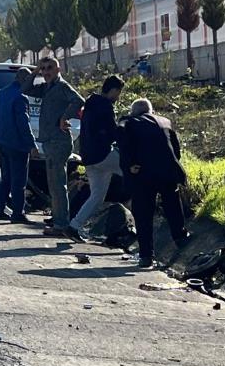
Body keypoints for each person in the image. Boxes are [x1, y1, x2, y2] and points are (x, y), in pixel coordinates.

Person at [117, 98, 191, 270]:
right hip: (167, 171)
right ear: (150, 111)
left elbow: (123, 141)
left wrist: (129, 164)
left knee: (143, 214)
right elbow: (176, 150)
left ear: (134, 112)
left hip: (143, 173)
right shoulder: (165, 122)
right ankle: (180, 237)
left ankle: (146, 255)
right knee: (172, 204)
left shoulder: (129, 122)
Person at [21, 56, 84, 237]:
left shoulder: (62, 86)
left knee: (57, 186)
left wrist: (64, 117)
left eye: (50, 68)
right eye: (44, 68)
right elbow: (25, 89)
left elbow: (79, 100)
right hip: (49, 141)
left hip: (59, 141)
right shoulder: (46, 87)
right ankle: (59, 221)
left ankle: (61, 225)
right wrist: (35, 71)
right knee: (54, 185)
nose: (46, 72)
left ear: (58, 69)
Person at [65, 74, 125, 242]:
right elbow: (112, 132)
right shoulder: (105, 106)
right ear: (113, 90)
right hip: (103, 154)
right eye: (118, 92)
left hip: (89, 157)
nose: (118, 97)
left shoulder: (90, 104)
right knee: (133, 171)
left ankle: (74, 226)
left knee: (97, 196)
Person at [0, 67, 37, 224]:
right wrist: (31, 144)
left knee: (6, 178)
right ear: (25, 80)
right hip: (17, 144)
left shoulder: (0, 94)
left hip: (2, 142)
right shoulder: (20, 97)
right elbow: (23, 123)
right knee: (19, 180)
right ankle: (18, 213)